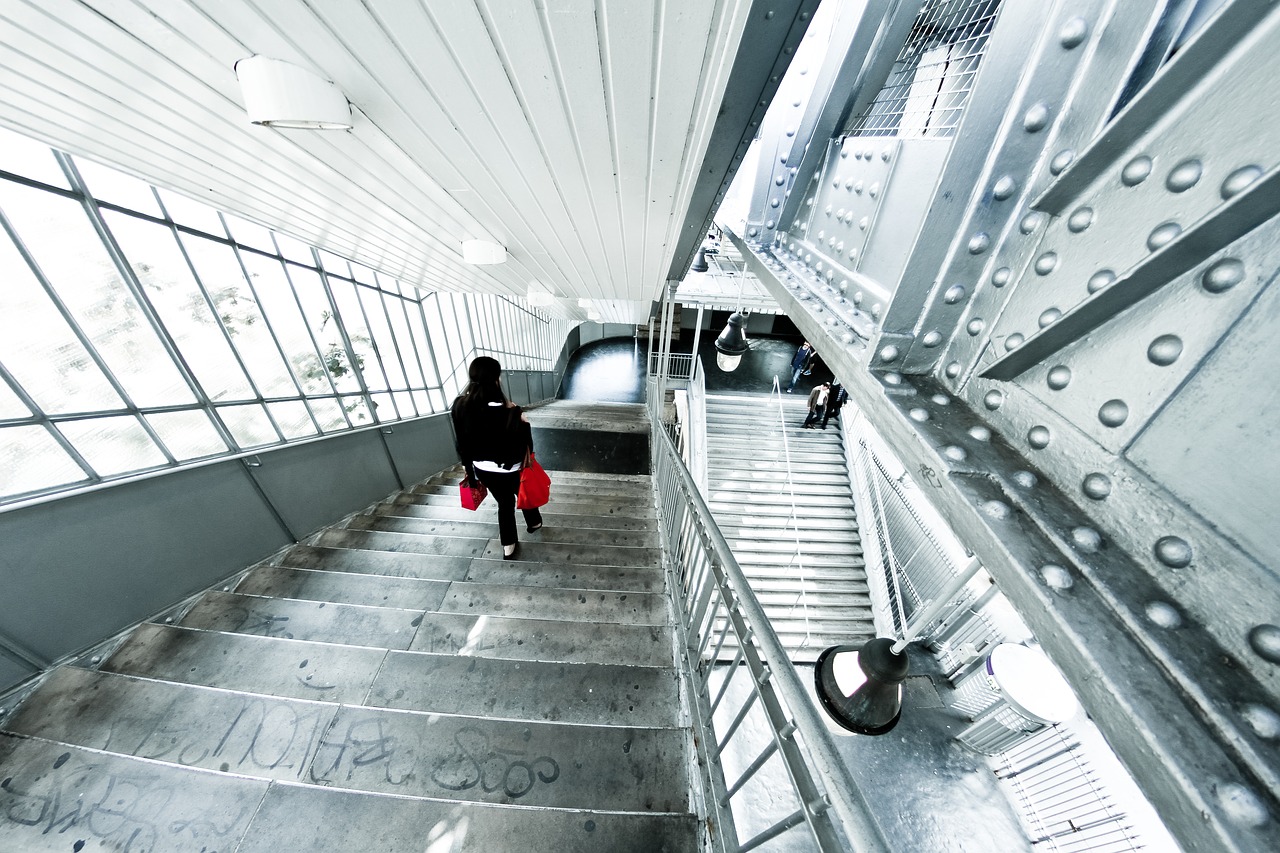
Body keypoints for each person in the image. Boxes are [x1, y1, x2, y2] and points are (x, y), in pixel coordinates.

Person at [451, 356, 543, 560]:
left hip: (482, 469)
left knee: (504, 502)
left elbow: (461, 442)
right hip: (511, 469)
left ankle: (508, 545)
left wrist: (468, 469)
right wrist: (524, 423)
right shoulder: (510, 411)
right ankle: (534, 523)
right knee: (523, 493)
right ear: (496, 379)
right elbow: (525, 447)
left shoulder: (460, 406)